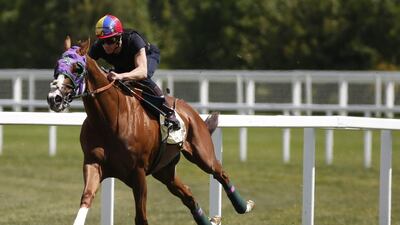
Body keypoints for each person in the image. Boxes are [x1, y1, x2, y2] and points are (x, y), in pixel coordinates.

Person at [89, 14, 180, 130]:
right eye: (102, 42)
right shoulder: (99, 47)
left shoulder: (133, 40)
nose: (106, 46)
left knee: (142, 78)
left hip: (147, 57)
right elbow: (85, 62)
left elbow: (142, 71)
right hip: (125, 64)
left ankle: (168, 112)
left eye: (110, 41)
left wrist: (121, 75)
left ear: (119, 37)